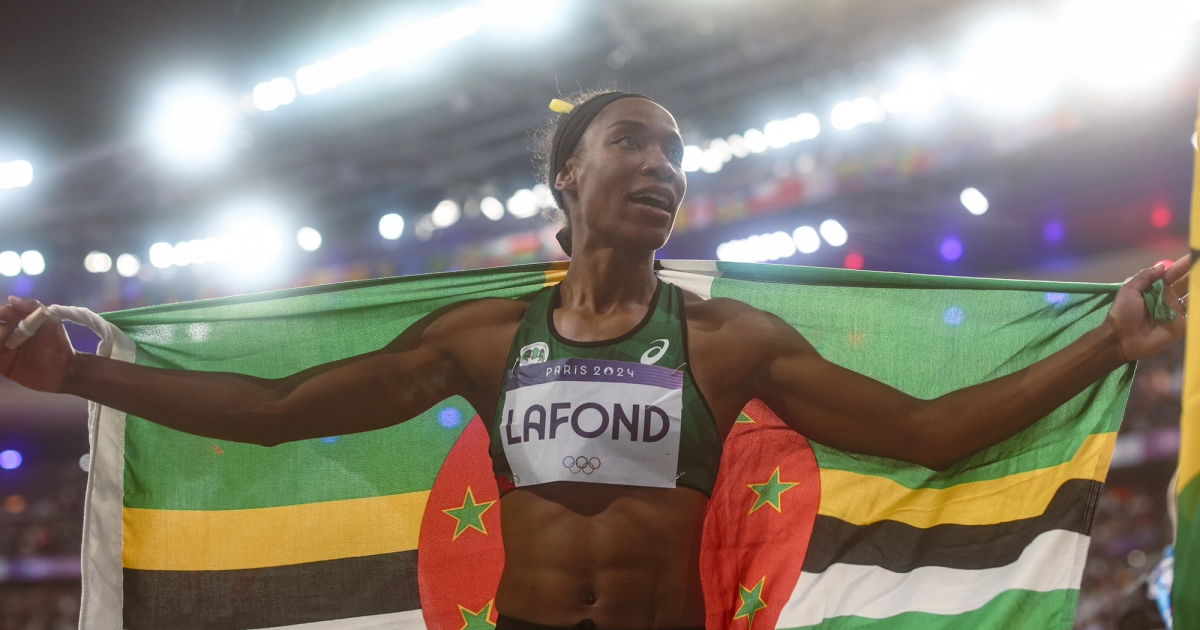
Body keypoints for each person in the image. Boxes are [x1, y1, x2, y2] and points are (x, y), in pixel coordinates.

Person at [0, 90, 1191, 630]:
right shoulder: (480, 338)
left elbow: (930, 437)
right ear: (569, 176)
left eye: (679, 152)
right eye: (636, 142)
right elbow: (277, 409)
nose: (667, 166)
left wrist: (1109, 339)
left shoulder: (731, 342)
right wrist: (87, 373)